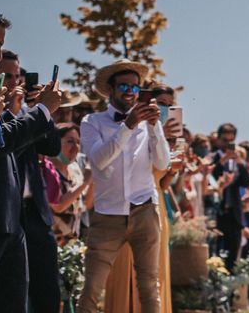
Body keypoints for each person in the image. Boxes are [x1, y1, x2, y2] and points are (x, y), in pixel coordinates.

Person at [76, 59, 170, 313]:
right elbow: (98, 160)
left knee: (150, 285)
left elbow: (163, 161)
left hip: (145, 211)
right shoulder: (91, 122)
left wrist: (153, 128)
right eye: (124, 86)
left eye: (135, 88)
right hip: (108, 215)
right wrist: (128, 127)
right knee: (93, 286)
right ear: (110, 89)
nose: (130, 92)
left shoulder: (148, 123)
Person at [0, 10, 62, 313]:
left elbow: (51, 146)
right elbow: (3, 140)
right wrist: (43, 112)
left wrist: (39, 112)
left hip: (15, 223)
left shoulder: (20, 113)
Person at [212, 123, 249, 269]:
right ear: (218, 139)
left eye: (231, 141)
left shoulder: (237, 162)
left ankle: (230, 290)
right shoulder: (213, 157)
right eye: (224, 140)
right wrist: (222, 161)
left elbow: (247, 182)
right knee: (216, 253)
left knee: (233, 257)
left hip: (234, 215)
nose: (227, 144)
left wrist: (240, 162)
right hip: (217, 213)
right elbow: (211, 175)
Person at [50, 123, 93, 245]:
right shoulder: (47, 169)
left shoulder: (75, 169)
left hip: (72, 247)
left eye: (78, 142)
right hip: (51, 245)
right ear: (55, 142)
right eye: (70, 141)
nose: (75, 147)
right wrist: (85, 182)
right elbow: (58, 206)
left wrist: (93, 180)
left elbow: (86, 205)